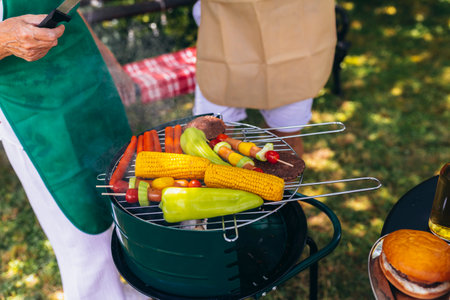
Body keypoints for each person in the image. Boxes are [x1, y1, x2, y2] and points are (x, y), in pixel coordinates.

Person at [0, 2, 147, 299]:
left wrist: (109, 62)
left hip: (92, 84)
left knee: (133, 210)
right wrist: (3, 39)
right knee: (85, 241)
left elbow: (66, 7)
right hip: (36, 114)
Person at [192, 0, 336, 157]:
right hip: (225, 30)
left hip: (292, 35)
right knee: (210, 138)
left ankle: (284, 181)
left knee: (287, 139)